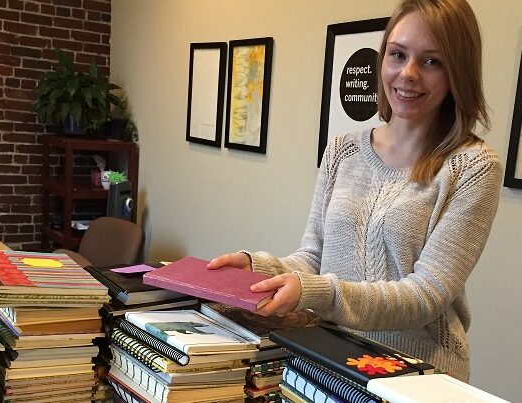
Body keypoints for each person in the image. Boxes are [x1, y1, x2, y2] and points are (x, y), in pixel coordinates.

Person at [208, 0, 502, 383]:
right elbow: (314, 257)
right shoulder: (342, 151)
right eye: (398, 55)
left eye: (432, 61)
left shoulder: (474, 167)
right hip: (331, 359)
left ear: (457, 73)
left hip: (417, 377)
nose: (408, 73)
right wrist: (257, 269)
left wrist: (316, 293)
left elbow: (426, 295)